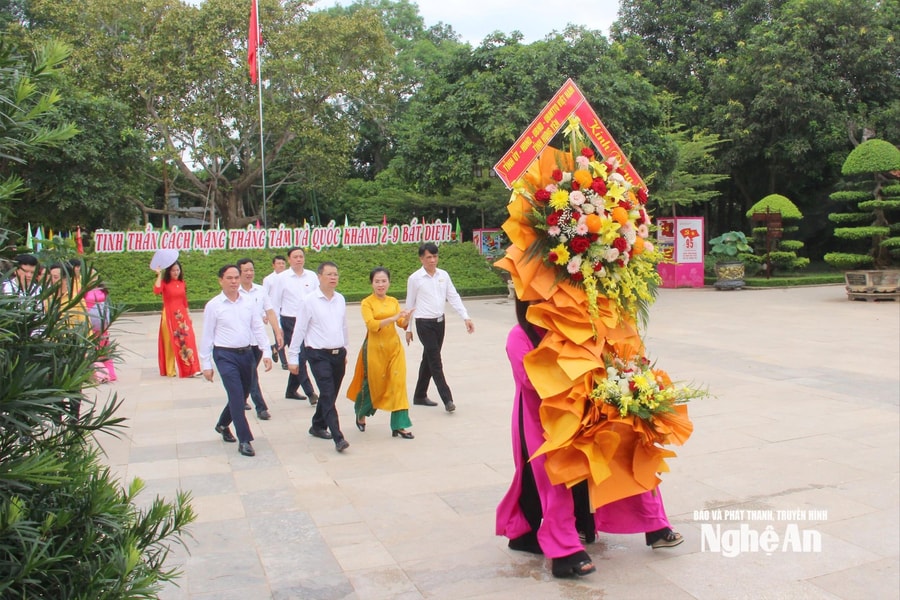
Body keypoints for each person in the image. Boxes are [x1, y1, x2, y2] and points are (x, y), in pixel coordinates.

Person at [496, 298, 682, 579]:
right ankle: (564, 551)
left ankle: (655, 525)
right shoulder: (520, 335)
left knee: (628, 449)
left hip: (587, 410)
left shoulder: (577, 328)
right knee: (555, 477)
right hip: (542, 420)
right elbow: (531, 381)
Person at [199, 264, 273, 458]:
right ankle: (244, 439)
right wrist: (206, 364)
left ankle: (223, 424)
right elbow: (207, 336)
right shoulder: (214, 306)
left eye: (236, 278)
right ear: (220, 280)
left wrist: (266, 351)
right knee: (236, 395)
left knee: (242, 395)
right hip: (225, 355)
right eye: (229, 278)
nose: (233, 282)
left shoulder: (248, 302)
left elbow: (257, 327)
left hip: (247, 353)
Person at [287, 261, 350, 453]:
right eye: (329, 274)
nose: (333, 278)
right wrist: (293, 357)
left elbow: (344, 326)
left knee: (330, 393)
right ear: (319, 277)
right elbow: (300, 329)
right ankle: (338, 437)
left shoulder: (340, 299)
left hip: (338, 353)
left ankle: (317, 424)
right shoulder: (309, 301)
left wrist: (345, 348)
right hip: (317, 354)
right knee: (328, 393)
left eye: (336, 274)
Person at [404, 242, 474, 413]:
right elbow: (409, 304)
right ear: (421, 258)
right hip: (423, 323)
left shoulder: (443, 275)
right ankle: (447, 398)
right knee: (435, 360)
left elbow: (453, 296)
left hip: (439, 323)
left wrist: (465, 317)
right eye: (429, 257)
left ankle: (420, 395)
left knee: (428, 358)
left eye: (435, 256)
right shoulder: (415, 279)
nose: (432, 260)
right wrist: (408, 328)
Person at [346, 267, 414, 439]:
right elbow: (371, 325)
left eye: (384, 281)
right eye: (377, 281)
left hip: (394, 348)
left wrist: (406, 318)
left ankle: (400, 425)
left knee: (398, 384)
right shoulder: (367, 303)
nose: (381, 284)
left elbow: (400, 322)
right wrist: (393, 318)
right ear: (372, 283)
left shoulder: (392, 301)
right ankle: (361, 412)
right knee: (372, 384)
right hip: (374, 349)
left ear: (389, 282)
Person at [236, 257, 284, 420]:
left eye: (251, 270)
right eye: (246, 271)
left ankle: (241, 399)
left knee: (248, 373)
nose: (249, 273)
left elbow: (270, 311)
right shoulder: (235, 293)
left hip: (258, 340)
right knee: (251, 373)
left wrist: (277, 331)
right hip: (241, 341)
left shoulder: (260, 290)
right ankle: (261, 407)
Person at [274, 247, 319, 404]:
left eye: (301, 256)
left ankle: (291, 390)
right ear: (289, 259)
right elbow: (275, 303)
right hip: (290, 320)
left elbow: (317, 298)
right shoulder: (282, 278)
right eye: (295, 257)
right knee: (300, 356)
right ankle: (310, 392)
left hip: (309, 321)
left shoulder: (312, 276)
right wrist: (278, 327)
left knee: (304, 355)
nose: (299, 259)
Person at [153, 261, 201, 378]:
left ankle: (193, 368)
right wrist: (159, 275)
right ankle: (176, 370)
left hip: (182, 316)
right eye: (173, 270)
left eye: (178, 270)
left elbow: (184, 300)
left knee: (189, 339)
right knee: (174, 342)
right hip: (169, 316)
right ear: (169, 271)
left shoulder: (182, 282)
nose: (176, 272)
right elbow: (157, 290)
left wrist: (188, 314)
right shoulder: (165, 283)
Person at [84, 276, 117, 382]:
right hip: (90, 323)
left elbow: (107, 304)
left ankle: (110, 373)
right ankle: (98, 374)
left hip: (102, 324)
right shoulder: (83, 289)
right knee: (92, 349)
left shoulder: (102, 289)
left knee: (104, 348)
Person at [263, 254, 287, 367]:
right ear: (273, 265)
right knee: (279, 334)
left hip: (287, 310)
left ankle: (274, 348)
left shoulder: (289, 277)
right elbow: (264, 296)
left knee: (287, 336)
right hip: (274, 312)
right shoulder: (268, 280)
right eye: (278, 263)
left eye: (283, 263)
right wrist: (264, 313)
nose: (281, 265)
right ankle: (284, 362)